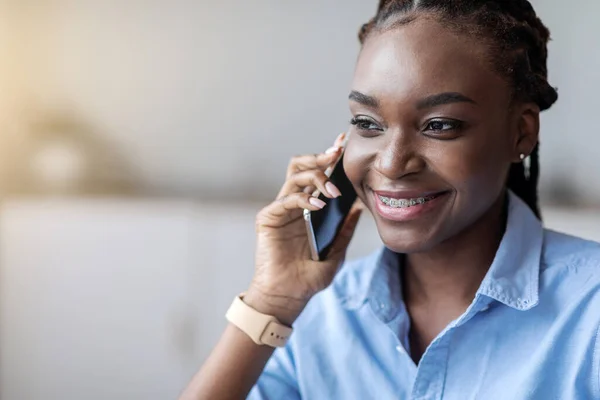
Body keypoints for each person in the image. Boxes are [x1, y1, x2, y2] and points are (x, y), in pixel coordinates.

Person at [180, 1, 600, 399]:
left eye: (439, 125)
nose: (393, 163)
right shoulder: (318, 311)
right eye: (368, 123)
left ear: (521, 132)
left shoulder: (589, 311)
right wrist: (270, 301)